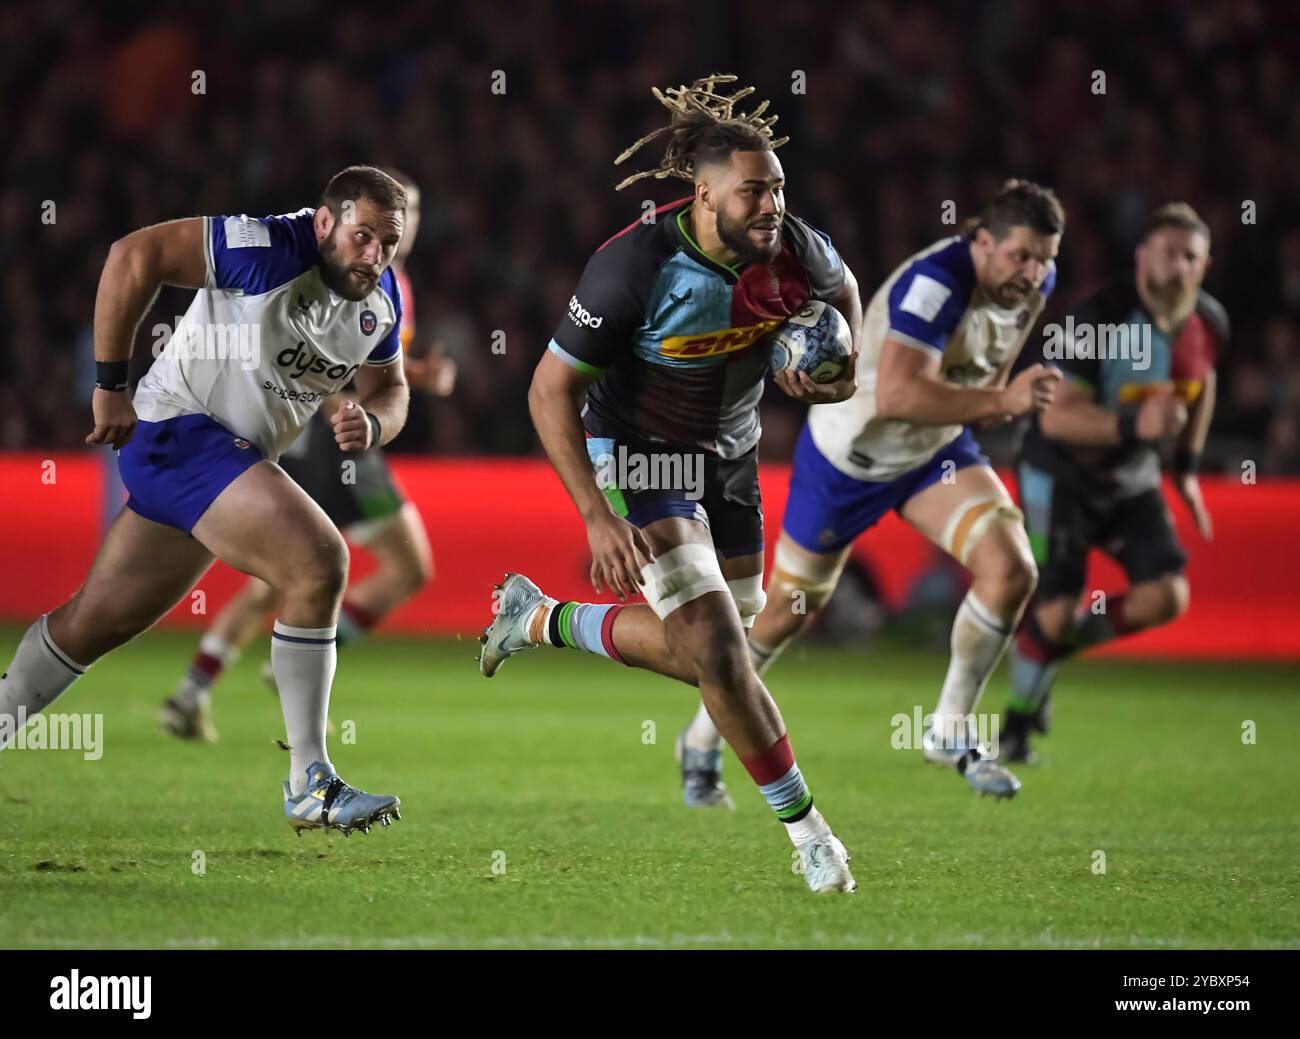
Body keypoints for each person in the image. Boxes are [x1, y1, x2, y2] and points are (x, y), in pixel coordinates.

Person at [478, 75, 862, 893]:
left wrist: (840, 369)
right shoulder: (634, 265)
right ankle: (812, 836)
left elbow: (844, 300)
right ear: (703, 193)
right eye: (753, 192)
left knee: (716, 650)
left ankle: (542, 619)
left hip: (730, 459)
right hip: (640, 454)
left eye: (779, 188)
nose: (771, 206)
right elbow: (549, 388)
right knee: (723, 652)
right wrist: (594, 515)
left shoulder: (797, 249)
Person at [0, 165, 411, 836]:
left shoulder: (379, 299)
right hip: (182, 434)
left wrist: (375, 422)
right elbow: (134, 254)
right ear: (326, 223)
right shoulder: (267, 247)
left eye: (388, 243)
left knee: (91, 624)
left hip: (225, 465)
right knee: (318, 561)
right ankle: (311, 779)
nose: (375, 256)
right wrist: (110, 384)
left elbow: (392, 388)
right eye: (363, 236)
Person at [159, 170, 455, 743]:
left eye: (411, 218)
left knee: (277, 582)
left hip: (305, 440)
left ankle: (192, 690)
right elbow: (320, 359)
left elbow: (368, 366)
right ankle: (304, 655)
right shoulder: (352, 278)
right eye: (398, 217)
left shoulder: (387, 284)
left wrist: (416, 377)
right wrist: (356, 409)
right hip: (332, 442)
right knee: (406, 567)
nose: (404, 229)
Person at [997, 202, 1224, 763]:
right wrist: (1133, 424)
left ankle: (1051, 648)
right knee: (1052, 609)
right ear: (1142, 256)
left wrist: (1188, 469)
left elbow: (1203, 385)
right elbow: (1055, 416)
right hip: (1060, 474)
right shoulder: (1097, 316)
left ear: (1205, 266)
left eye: (1189, 257)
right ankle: (1017, 730)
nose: (1177, 266)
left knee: (1166, 596)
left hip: (1131, 479)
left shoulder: (1208, 323)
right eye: (1167, 253)